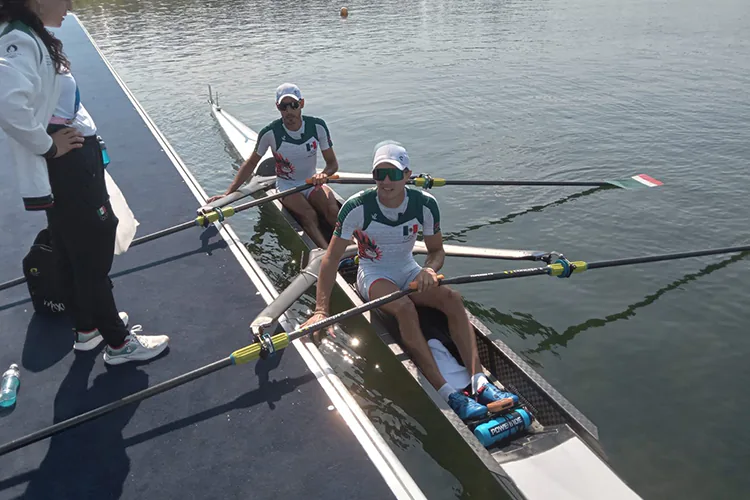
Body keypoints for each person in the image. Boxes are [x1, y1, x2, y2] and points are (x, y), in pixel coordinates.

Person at [301, 141, 519, 421]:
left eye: (394, 174)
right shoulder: (356, 207)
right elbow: (330, 259)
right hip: (373, 273)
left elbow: (437, 251)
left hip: (408, 268)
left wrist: (429, 270)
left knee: (452, 298)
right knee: (404, 308)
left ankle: (479, 381)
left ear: (407, 175)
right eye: (380, 174)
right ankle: (446, 391)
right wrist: (322, 309)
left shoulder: (426, 204)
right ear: (374, 176)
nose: (386, 181)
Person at [45, 68, 169, 365]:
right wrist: (47, 145)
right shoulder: (20, 45)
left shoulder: (31, 38)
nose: (64, 16)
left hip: (75, 160)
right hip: (70, 164)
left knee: (71, 247)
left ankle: (88, 328)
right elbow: (10, 109)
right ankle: (119, 343)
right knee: (91, 252)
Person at [207, 83, 340, 248]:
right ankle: (328, 254)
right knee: (309, 214)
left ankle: (352, 246)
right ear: (278, 107)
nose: (289, 111)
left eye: (294, 105)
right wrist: (228, 194)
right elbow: (251, 164)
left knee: (333, 211)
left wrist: (324, 175)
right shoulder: (269, 133)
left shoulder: (318, 126)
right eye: (284, 107)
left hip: (311, 182)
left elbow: (332, 164)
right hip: (287, 185)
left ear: (302, 104)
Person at [0, 0, 83, 211]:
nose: (71, 6)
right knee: (88, 235)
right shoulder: (17, 39)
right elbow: (8, 104)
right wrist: (49, 147)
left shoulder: (28, 33)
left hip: (59, 162)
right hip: (52, 162)